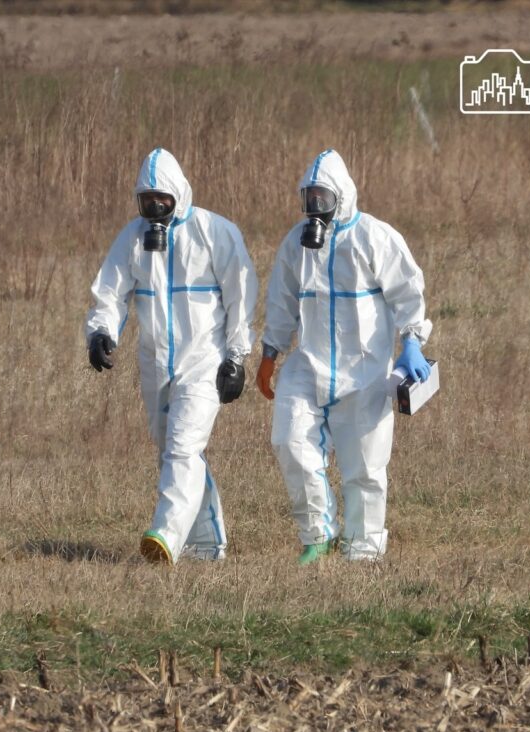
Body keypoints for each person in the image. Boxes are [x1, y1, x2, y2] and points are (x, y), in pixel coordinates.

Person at [257, 149, 433, 564]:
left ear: (343, 196)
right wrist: (270, 351)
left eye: (324, 197)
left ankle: (363, 550)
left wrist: (411, 342)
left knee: (365, 469)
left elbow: (408, 291)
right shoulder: (296, 244)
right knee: (289, 440)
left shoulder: (374, 237)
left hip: (365, 371)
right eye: (310, 198)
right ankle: (317, 535)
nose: (315, 207)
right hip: (308, 365)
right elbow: (281, 299)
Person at [85, 148, 257, 564]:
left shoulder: (215, 232)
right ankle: (206, 542)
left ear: (179, 194)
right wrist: (101, 331)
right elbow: (111, 289)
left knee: (182, 448)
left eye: (163, 199)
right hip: (155, 361)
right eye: (148, 202)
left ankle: (164, 537)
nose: (156, 208)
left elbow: (241, 294)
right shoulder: (132, 238)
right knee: (175, 452)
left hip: (205, 360)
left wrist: (236, 357)